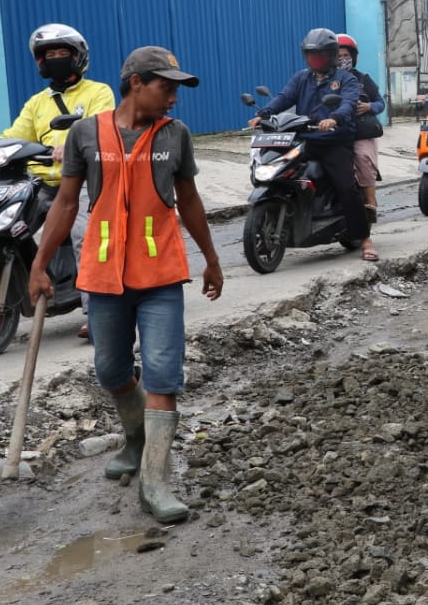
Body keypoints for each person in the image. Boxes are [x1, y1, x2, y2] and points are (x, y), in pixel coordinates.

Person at [28, 46, 224, 523]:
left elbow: (190, 199)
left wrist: (212, 259)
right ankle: (135, 439)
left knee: (162, 373)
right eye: (167, 86)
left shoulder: (175, 135)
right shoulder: (85, 134)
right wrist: (40, 263)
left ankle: (156, 481)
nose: (175, 98)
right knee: (111, 370)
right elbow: (67, 203)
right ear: (136, 82)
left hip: (160, 275)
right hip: (103, 272)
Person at [0, 24, 116, 339]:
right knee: (6, 228)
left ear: (78, 57)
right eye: (48, 54)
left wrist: (76, 144)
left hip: (83, 182)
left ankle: (98, 316)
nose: (55, 59)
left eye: (61, 53)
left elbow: (102, 126)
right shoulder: (36, 103)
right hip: (42, 182)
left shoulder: (98, 92)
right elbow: (14, 136)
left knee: (83, 236)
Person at [248, 28, 371, 257]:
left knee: (346, 187)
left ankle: (364, 240)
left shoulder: (346, 79)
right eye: (311, 55)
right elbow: (285, 98)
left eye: (320, 56)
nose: (315, 60)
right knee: (279, 170)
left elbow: (348, 104)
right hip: (305, 139)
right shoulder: (301, 78)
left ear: (331, 56)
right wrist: (263, 114)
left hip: (334, 141)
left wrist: (333, 118)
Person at [337, 33, 383, 261]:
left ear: (353, 57)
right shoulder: (325, 80)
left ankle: (370, 203)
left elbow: (381, 102)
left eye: (345, 55)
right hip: (334, 133)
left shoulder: (363, 79)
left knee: (363, 158)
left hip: (360, 132)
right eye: (337, 55)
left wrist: (368, 107)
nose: (341, 59)